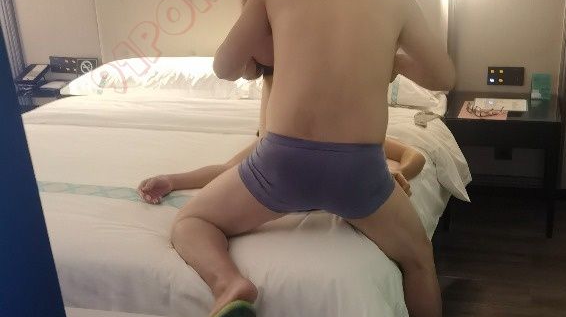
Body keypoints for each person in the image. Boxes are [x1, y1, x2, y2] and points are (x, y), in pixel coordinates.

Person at [173, 0, 473, 317]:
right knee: (418, 260)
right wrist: (391, 56)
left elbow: (226, 68)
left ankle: (230, 285)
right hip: (358, 171)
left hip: (280, 163)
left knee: (191, 222)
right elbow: (443, 77)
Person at [138, 137, 425, 204]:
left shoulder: (354, 131)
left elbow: (415, 156)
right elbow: (228, 170)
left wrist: (397, 173)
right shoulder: (278, 139)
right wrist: (173, 180)